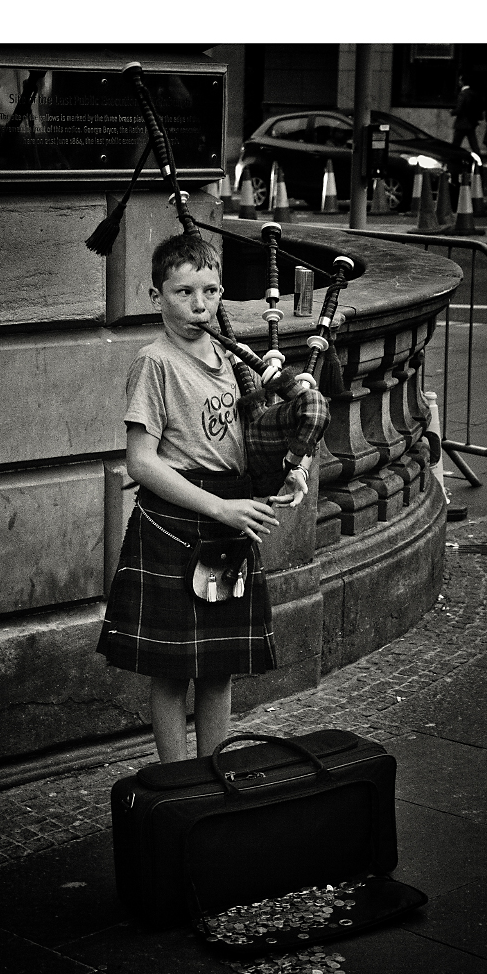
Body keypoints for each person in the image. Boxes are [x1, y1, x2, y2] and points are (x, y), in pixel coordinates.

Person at [97, 232, 328, 763]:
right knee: (173, 670)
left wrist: (291, 466)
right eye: (183, 293)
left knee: (219, 666)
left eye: (210, 291)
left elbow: (251, 432)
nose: (199, 304)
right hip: (180, 519)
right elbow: (141, 461)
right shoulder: (154, 363)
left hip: (229, 515)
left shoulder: (230, 355)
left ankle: (214, 775)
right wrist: (219, 508)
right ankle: (180, 783)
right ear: (157, 297)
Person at [450, 72, 484, 158]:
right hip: (471, 122)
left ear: (463, 81)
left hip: (462, 122)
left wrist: (452, 112)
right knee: (473, 144)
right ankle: (479, 158)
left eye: (460, 80)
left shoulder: (463, 94)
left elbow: (459, 109)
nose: (459, 82)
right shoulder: (474, 93)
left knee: (455, 144)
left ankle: (451, 159)